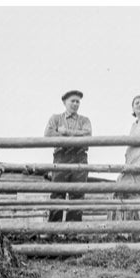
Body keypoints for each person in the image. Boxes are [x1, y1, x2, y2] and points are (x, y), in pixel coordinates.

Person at [44, 90, 92, 222]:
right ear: (65, 102)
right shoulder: (55, 118)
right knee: (57, 192)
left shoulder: (85, 120)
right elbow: (48, 135)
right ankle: (54, 230)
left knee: (77, 193)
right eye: (73, 101)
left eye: (78, 101)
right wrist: (77, 135)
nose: (75, 104)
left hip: (79, 157)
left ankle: (73, 231)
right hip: (61, 157)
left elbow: (87, 135)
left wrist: (65, 132)